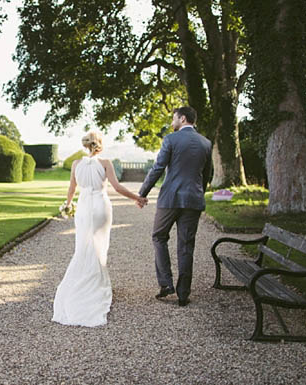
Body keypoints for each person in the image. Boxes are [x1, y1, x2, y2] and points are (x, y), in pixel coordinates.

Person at [52, 131, 147, 327]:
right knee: (99, 246)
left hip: (84, 208)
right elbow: (117, 187)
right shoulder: (105, 163)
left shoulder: (77, 164)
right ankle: (96, 283)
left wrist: (68, 205)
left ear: (85, 145)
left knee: (83, 246)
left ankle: (81, 282)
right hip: (100, 207)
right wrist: (136, 197)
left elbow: (71, 189)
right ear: (99, 144)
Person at [138, 106, 212, 307]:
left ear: (183, 118)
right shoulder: (206, 143)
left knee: (159, 236)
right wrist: (198, 192)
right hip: (193, 200)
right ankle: (183, 294)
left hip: (170, 199)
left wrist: (142, 193)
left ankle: (166, 284)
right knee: (186, 246)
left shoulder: (171, 139)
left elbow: (158, 168)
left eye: (174, 119)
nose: (172, 123)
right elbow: (208, 175)